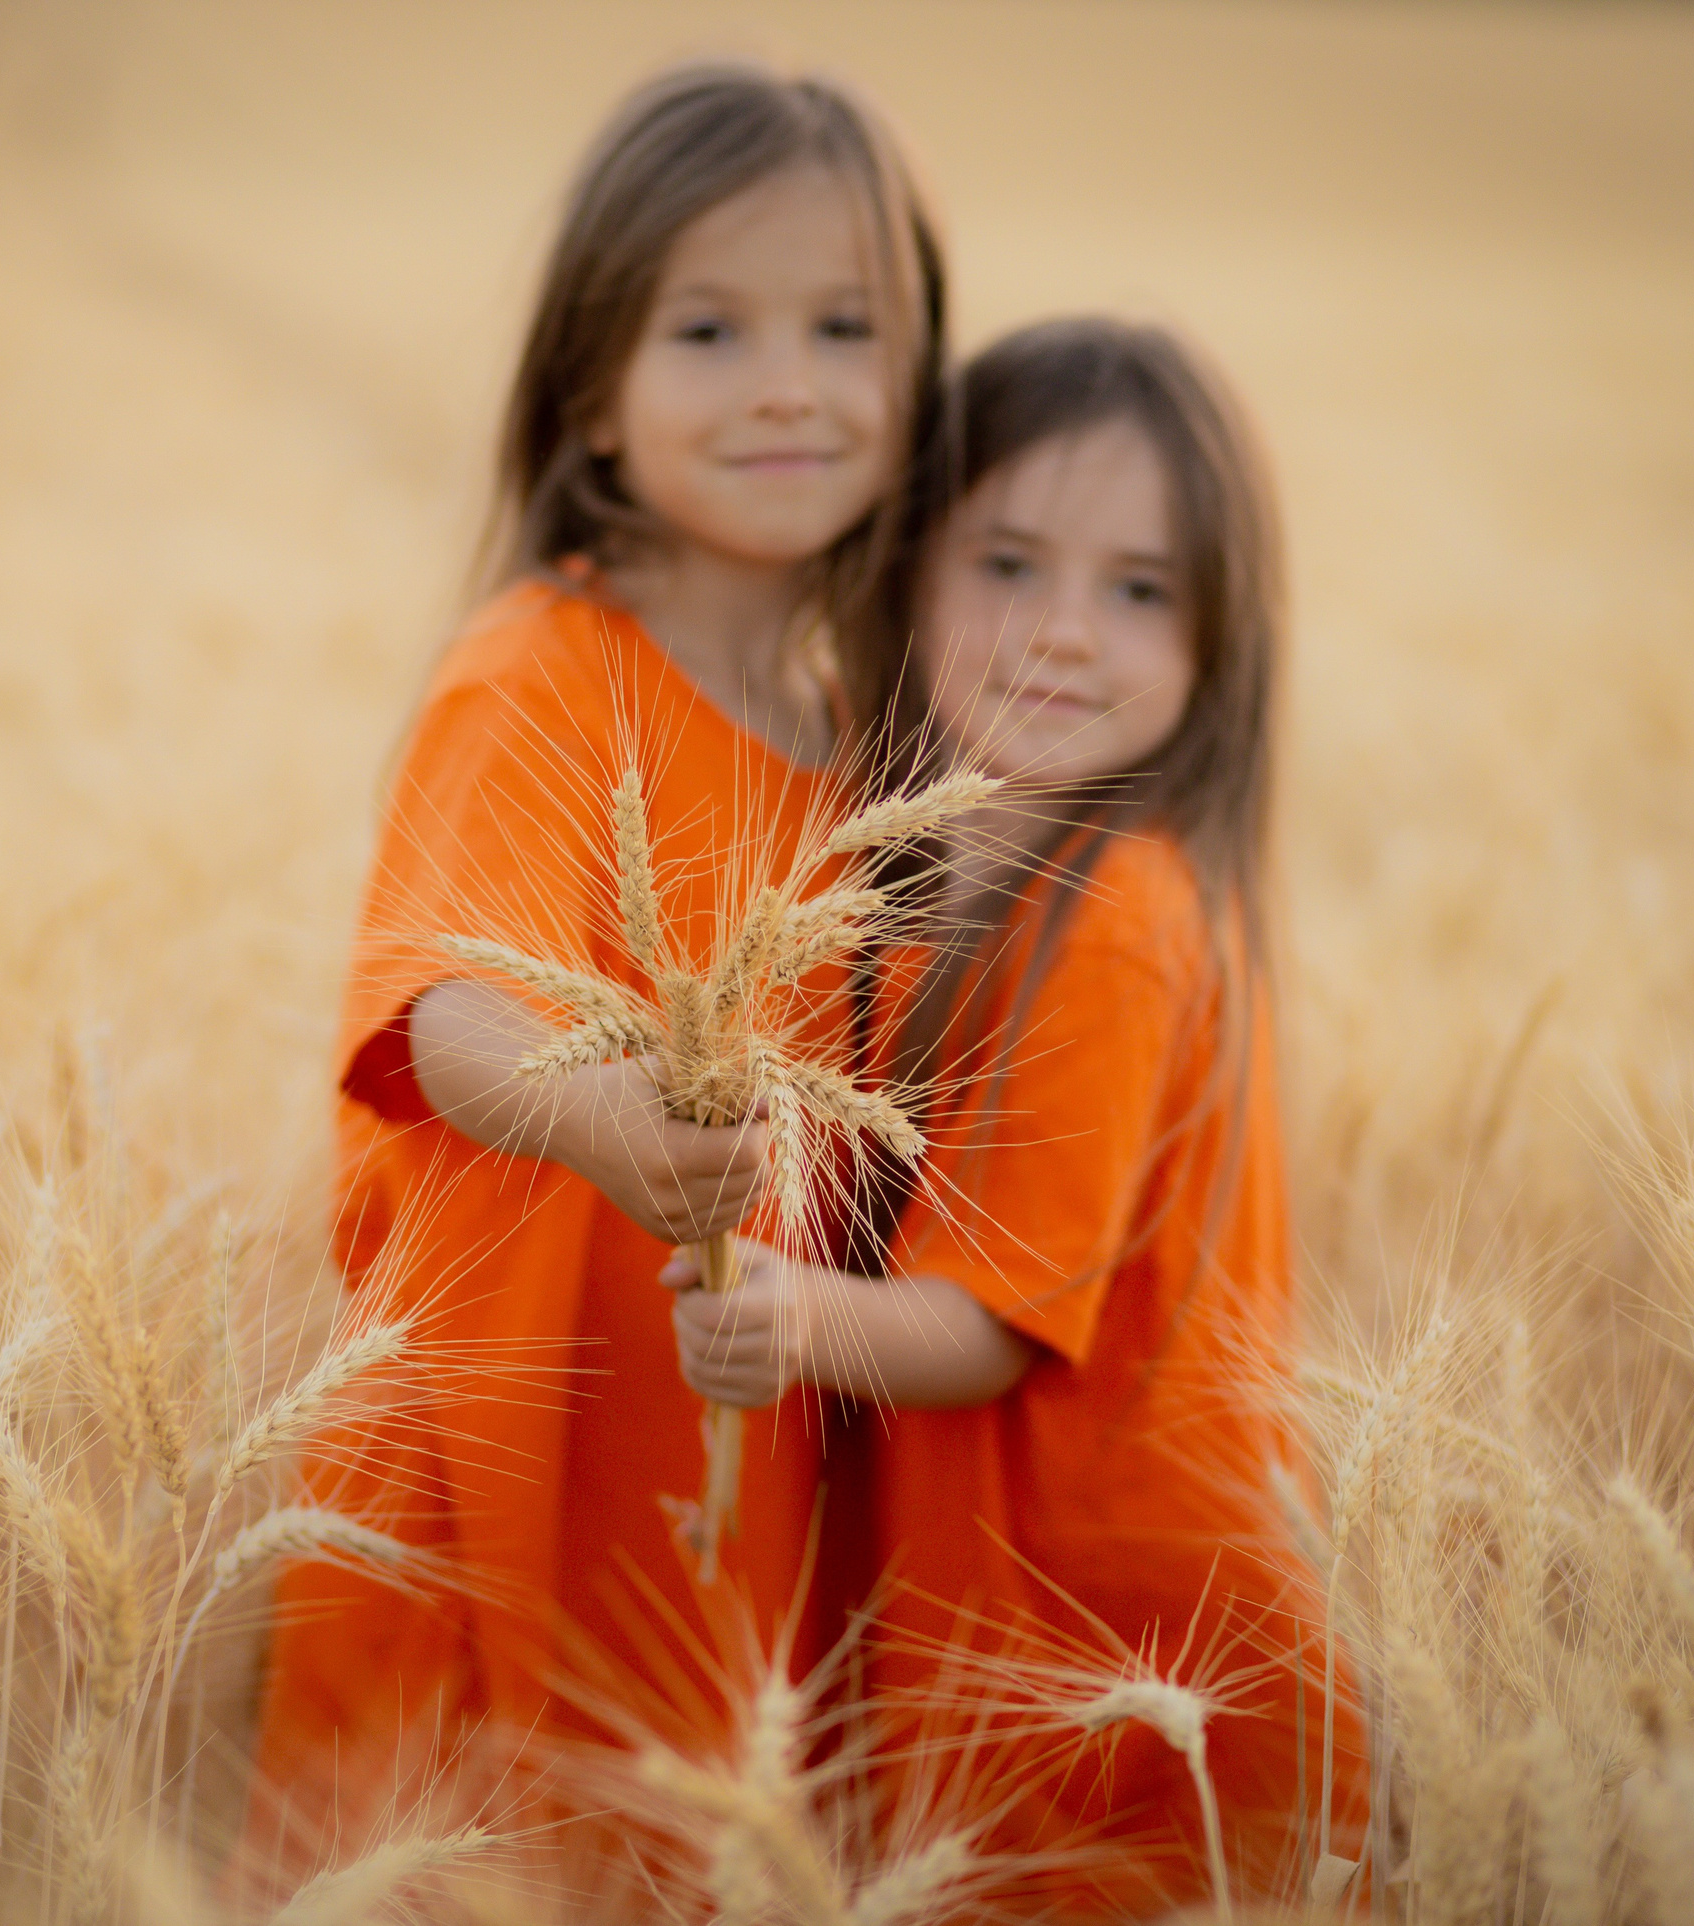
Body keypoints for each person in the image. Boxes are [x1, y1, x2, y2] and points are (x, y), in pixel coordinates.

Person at [241, 60, 948, 1850]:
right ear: (595, 394)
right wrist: (599, 1116)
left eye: (846, 326)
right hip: (500, 1503)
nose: (789, 383)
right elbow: (445, 1001)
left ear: (922, 377)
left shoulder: (856, 731)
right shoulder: (541, 668)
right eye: (710, 329)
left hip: (719, 1520)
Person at [664, 317, 1363, 1910]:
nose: (1062, 632)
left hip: (1114, 1641)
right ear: (910, 571)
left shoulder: (1116, 915)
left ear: (1218, 641)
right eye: (1008, 564)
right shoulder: (937, 878)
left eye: (1138, 589)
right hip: (1029, 1612)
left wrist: (785, 1316)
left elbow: (989, 1321)